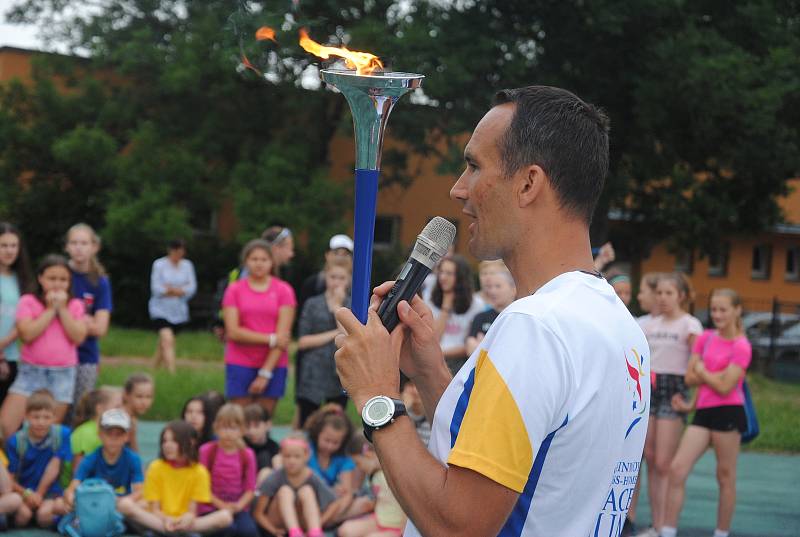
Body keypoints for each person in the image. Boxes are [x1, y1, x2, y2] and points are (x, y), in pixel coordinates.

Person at [332, 85, 650, 535]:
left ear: (528, 183)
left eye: (474, 166)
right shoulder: (617, 322)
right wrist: (428, 372)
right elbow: (515, 456)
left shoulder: (535, 328)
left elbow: (460, 525)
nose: (458, 189)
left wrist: (378, 398)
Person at [660, 289, 751, 537]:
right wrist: (709, 377)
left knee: (725, 475)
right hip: (702, 413)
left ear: (737, 310)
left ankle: (721, 532)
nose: (717, 315)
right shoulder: (706, 338)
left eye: (723, 309)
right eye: (714, 309)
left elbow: (725, 387)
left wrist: (703, 372)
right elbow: (690, 379)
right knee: (677, 469)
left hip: (729, 413)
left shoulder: (742, 346)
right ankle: (667, 530)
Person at [637, 273, 703, 537]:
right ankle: (657, 524)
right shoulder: (649, 325)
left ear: (681, 296)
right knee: (651, 459)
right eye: (660, 293)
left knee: (664, 462)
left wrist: (692, 400)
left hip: (674, 390)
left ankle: (667, 526)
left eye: (669, 293)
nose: (662, 298)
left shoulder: (690, 325)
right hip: (650, 388)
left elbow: (698, 363)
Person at [0, 255, 86, 435]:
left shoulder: (75, 305)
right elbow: (27, 334)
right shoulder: (28, 301)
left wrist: (62, 309)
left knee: (49, 431)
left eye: (63, 280)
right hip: (31, 372)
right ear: (41, 279)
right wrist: (50, 310)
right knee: (5, 426)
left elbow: (78, 337)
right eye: (52, 278)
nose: (57, 284)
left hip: (63, 374)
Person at [222, 239, 295, 414]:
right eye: (254, 259)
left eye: (264, 259)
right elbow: (232, 332)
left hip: (274, 363)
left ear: (271, 262)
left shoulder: (284, 290)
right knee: (239, 419)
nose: (259, 263)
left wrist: (265, 373)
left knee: (261, 422)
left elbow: (282, 337)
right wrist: (270, 339)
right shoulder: (234, 290)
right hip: (240, 361)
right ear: (246, 261)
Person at [123, 420, 233, 534]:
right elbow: (155, 510)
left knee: (225, 517)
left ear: (191, 442)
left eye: (174, 441)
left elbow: (192, 512)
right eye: (165, 441)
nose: (167, 445)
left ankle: (175, 530)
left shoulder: (200, 472)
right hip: (159, 519)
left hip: (185, 522)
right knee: (126, 505)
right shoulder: (156, 467)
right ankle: (171, 530)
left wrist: (186, 519)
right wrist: (166, 519)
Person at [296, 256, 352, 426]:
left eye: (341, 278)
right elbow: (303, 341)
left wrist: (337, 308)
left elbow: (349, 338)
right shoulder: (312, 303)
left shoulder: (351, 305)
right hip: (313, 371)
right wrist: (334, 332)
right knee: (307, 420)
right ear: (325, 277)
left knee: (335, 422)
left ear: (349, 280)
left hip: (339, 370)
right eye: (332, 277)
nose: (336, 282)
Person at [6, 389, 71, 528]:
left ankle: (65, 521)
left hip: (49, 492)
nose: (41, 422)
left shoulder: (62, 434)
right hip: (23, 491)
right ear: (26, 417)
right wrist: (27, 494)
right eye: (36, 417)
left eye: (46, 417)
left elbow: (53, 467)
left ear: (54, 417)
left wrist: (39, 495)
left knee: (43, 517)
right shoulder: (16, 441)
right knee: (23, 517)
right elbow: (9, 478)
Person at [65, 223, 113, 410]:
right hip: (57, 355)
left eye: (84, 243)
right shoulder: (59, 273)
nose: (78, 247)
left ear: (94, 247)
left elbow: (101, 328)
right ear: (67, 247)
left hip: (86, 356)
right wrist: (85, 320)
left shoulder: (100, 282)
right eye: (74, 242)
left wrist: (69, 319)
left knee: (80, 410)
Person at [253, 433, 338, 537]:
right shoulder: (275, 477)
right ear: (281, 455)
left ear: (306, 456)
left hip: (302, 523)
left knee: (307, 490)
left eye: (297, 456)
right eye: (287, 456)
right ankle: (295, 532)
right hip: (279, 522)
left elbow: (334, 503)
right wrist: (273, 530)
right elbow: (258, 513)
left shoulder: (311, 476)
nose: (291, 461)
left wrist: (320, 521)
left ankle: (315, 531)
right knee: (285, 491)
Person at [198, 404, 259, 537]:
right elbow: (201, 487)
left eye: (233, 428)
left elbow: (250, 488)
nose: (228, 433)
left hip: (237, 506)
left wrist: (238, 506)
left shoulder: (247, 454)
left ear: (242, 430)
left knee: (249, 532)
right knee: (226, 529)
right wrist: (221, 505)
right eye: (224, 427)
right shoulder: (207, 451)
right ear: (216, 428)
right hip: (211, 506)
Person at [66, 408, 144, 507]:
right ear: (100, 434)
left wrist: (123, 501)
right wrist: (70, 498)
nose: (113, 439)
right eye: (109, 433)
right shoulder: (91, 459)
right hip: (95, 504)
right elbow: (73, 486)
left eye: (119, 434)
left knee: (142, 504)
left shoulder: (133, 459)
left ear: (126, 437)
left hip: (121, 505)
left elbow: (139, 491)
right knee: (59, 505)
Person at [425, 254, 485, 374]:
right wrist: (445, 308)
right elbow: (434, 338)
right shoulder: (431, 300)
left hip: (459, 362)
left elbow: (471, 343)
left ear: (460, 277)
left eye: (449, 273)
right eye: (441, 272)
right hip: (433, 359)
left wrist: (440, 353)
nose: (442, 277)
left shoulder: (476, 304)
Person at [338, 440, 407, 537]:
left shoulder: (394, 475)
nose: (359, 468)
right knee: (345, 530)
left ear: (368, 455)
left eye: (358, 463)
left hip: (397, 528)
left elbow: (409, 504)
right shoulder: (374, 475)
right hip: (379, 520)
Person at [149, 238, 196, 374]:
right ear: (170, 250)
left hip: (179, 310)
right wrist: (178, 290)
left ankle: (152, 372)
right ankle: (172, 373)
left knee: (163, 343)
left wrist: (171, 290)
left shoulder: (187, 265)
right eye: (177, 251)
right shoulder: (159, 264)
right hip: (160, 309)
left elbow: (191, 288)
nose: (179, 254)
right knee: (168, 340)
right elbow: (156, 288)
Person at [0, 222, 33, 407]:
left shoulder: (23, 279)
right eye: (3, 245)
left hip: (11, 356)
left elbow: (24, 320)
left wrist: (3, 352)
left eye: (13, 245)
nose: (9, 251)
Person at [70, 386, 123, 478]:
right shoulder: (87, 433)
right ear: (100, 409)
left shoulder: (110, 431)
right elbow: (78, 472)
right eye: (117, 407)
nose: (122, 411)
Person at [465, 267, 516, 356]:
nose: (492, 291)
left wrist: (483, 345)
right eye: (490, 287)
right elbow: (470, 350)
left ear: (513, 289)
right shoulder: (480, 317)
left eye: (498, 286)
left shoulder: (518, 317)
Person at [298, 234, 354, 313]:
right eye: (336, 253)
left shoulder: (359, 286)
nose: (340, 258)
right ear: (327, 255)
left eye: (345, 254)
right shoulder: (312, 283)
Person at [243, 403, 280, 484]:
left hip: (264, 486)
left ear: (268, 425)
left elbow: (278, 470)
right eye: (247, 426)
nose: (251, 431)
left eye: (256, 426)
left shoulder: (273, 446)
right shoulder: (241, 445)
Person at [122, 373, 155, 452]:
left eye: (148, 397)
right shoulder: (123, 419)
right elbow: (134, 452)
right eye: (139, 396)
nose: (144, 402)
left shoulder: (131, 417)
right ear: (126, 395)